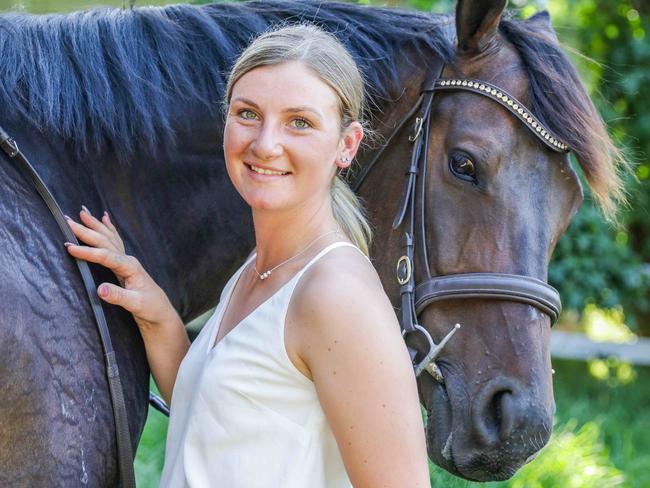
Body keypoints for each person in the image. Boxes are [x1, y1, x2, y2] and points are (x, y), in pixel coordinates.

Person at [64, 24, 429, 488]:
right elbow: (221, 421)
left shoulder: (335, 292)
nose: (265, 144)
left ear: (347, 145)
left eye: (300, 122)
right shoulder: (256, 272)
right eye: (248, 113)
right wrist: (157, 316)